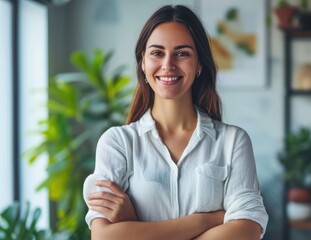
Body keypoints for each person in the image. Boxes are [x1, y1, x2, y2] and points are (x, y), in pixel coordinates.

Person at [83, 4, 268, 240]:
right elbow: (104, 237)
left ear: (199, 64)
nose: (168, 64)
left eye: (182, 53)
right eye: (157, 53)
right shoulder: (117, 143)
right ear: (143, 62)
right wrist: (206, 219)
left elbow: (247, 230)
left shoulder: (233, 142)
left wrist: (134, 227)